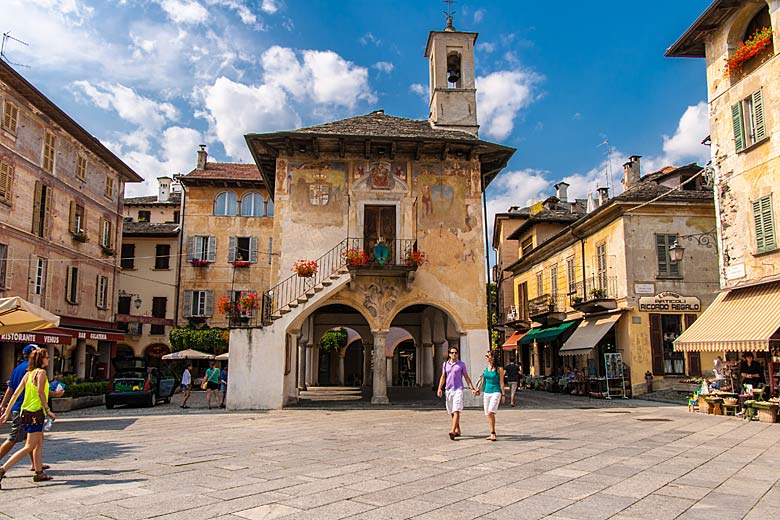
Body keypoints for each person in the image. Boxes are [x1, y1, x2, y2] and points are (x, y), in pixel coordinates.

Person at [0, 345, 62, 472]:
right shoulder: (40, 372)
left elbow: (13, 391)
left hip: (24, 410)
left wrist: (6, 410)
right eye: (47, 357)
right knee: (25, 443)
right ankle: (3, 469)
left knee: (38, 440)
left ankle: (38, 470)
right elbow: (40, 392)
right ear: (39, 358)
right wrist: (48, 410)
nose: (49, 360)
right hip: (34, 411)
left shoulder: (26, 372)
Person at [436, 346, 476, 440]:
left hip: (458, 389)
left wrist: (472, 388)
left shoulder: (461, 364)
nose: (454, 354)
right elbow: (443, 377)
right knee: (452, 411)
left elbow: (466, 377)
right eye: (452, 353)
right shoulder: (445, 364)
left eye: (456, 353)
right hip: (448, 389)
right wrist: (439, 388)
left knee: (456, 410)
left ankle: (452, 430)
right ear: (449, 354)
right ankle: (458, 429)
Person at [475, 350, 505, 441]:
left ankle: (493, 433)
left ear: (493, 357)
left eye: (488, 356)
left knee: (491, 411)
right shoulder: (486, 369)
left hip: (496, 391)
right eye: (486, 356)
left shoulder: (499, 369)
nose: (487, 358)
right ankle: (492, 431)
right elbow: (483, 382)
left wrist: (503, 394)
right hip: (487, 392)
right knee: (488, 413)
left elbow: (501, 382)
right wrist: (479, 390)